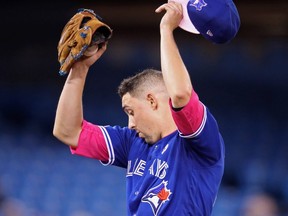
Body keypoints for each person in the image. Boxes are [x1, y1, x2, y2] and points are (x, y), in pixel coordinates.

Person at [53, 1, 225, 215]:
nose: (130, 124)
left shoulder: (197, 141)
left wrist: (166, 31)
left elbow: (180, 94)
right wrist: (79, 69)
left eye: (131, 112)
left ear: (152, 101)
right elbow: (68, 131)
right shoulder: (133, 142)